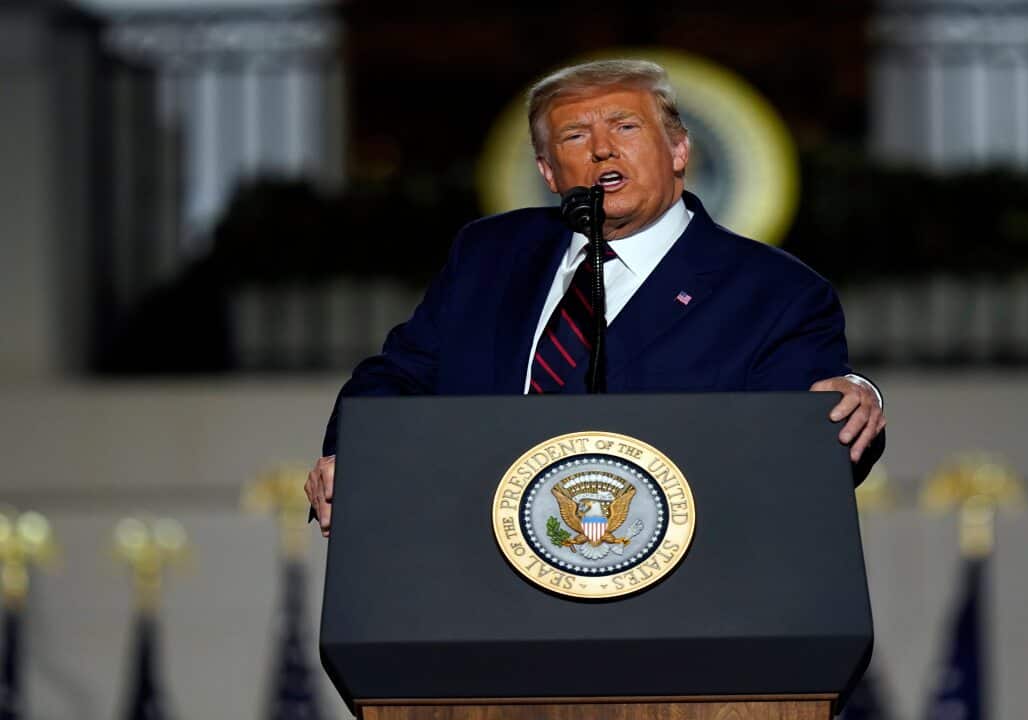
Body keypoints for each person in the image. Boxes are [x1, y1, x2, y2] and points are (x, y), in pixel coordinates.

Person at [304, 59, 885, 536]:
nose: (603, 151)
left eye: (625, 128)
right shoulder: (491, 254)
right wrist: (353, 458)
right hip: (476, 571)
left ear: (679, 150)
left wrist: (856, 399)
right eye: (575, 137)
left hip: (678, 598)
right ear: (548, 171)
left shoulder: (775, 292)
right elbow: (400, 375)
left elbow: (807, 449)